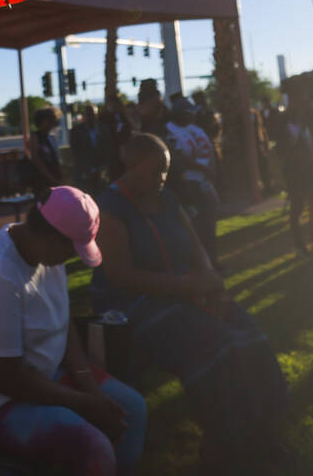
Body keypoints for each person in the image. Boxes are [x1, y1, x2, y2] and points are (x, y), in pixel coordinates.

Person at [91, 134, 289, 473]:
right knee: (215, 344)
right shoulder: (110, 208)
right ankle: (225, 443)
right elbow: (123, 277)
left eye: (166, 171)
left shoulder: (167, 200)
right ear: (132, 166)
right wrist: (188, 288)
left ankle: (266, 431)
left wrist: (213, 286)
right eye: (156, 171)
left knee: (249, 334)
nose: (163, 178)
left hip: (186, 292)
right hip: (135, 305)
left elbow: (197, 249)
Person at [0, 187, 146, 475]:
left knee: (132, 408)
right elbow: (8, 379)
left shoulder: (43, 250)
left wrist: (91, 391)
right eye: (71, 249)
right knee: (92, 447)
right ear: (50, 237)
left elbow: (64, 326)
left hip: (34, 377)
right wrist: (87, 404)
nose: (71, 258)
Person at [275, 75, 313, 257]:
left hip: (310, 168)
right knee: (297, 207)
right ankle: (299, 244)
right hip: (294, 169)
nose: (304, 100)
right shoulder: (283, 120)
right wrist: (308, 156)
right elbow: (282, 151)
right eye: (300, 97)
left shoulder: (310, 118)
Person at [163, 97, 222, 264]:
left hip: (204, 182)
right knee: (195, 227)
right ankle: (199, 264)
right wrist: (203, 169)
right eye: (188, 113)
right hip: (188, 186)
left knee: (209, 224)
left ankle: (212, 260)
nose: (191, 116)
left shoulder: (194, 128)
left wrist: (211, 171)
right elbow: (179, 159)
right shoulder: (170, 131)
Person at [70, 103, 107, 194]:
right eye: (88, 114)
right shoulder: (76, 131)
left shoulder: (103, 128)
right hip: (84, 174)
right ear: (84, 115)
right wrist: (86, 169)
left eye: (93, 114)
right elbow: (76, 152)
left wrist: (103, 168)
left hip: (100, 173)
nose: (91, 117)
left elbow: (107, 149)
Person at [28, 106, 64, 194]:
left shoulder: (51, 137)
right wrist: (50, 177)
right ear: (40, 121)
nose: (51, 123)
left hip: (55, 176)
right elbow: (36, 159)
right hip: (42, 179)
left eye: (52, 120)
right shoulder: (35, 136)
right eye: (48, 120)